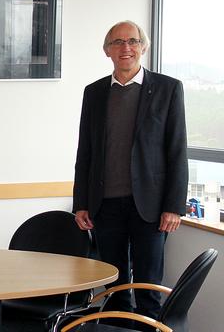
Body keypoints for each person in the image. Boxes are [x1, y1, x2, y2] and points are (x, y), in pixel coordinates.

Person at [73, 21, 187, 324]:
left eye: (133, 41)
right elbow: (85, 151)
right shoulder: (94, 92)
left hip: (150, 207)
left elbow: (177, 151)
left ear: (143, 47)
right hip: (105, 204)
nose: (126, 48)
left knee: (148, 287)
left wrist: (173, 207)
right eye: (118, 42)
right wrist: (80, 202)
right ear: (107, 51)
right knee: (114, 284)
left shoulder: (168, 89)